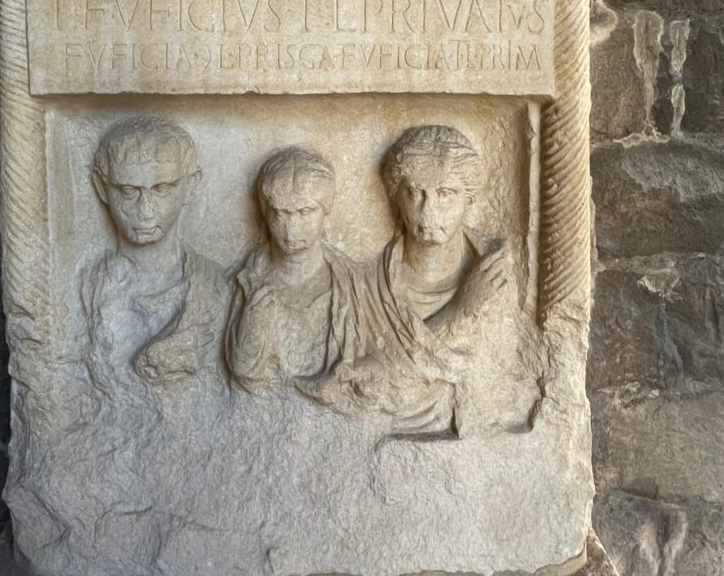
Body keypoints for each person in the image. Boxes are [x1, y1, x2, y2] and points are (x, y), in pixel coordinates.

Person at [304, 125, 539, 435]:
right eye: (415, 193)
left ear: (470, 198)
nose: (429, 211)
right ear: (396, 197)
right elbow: (361, 387)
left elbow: (499, 385)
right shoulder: (366, 285)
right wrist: (461, 312)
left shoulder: (493, 276)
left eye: (446, 194)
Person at [79, 117, 227, 397]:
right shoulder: (89, 286)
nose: (145, 210)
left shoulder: (215, 286)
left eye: (162, 189)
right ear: (101, 187)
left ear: (190, 184)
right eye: (128, 191)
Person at [225, 146, 370, 392]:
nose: (291, 229)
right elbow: (241, 370)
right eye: (280, 213)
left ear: (326, 210)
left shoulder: (354, 282)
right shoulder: (247, 280)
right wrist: (253, 325)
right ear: (265, 212)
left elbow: (380, 358)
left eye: (304, 212)